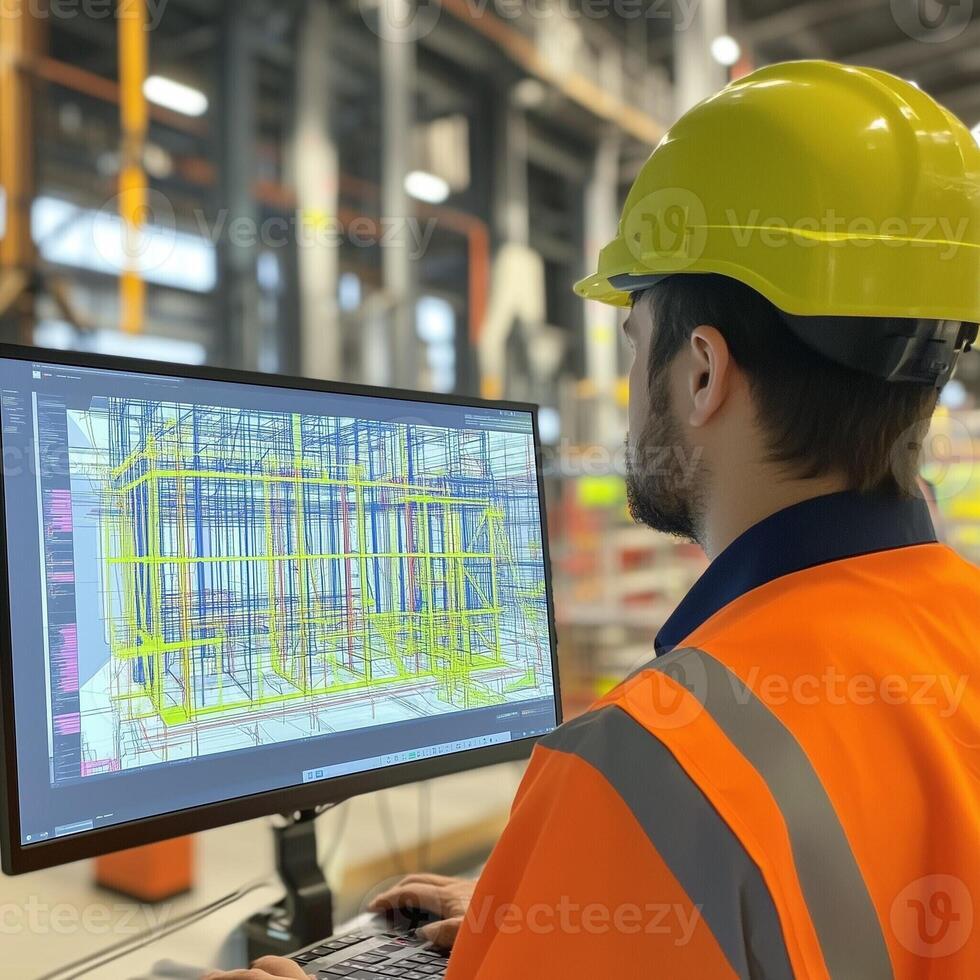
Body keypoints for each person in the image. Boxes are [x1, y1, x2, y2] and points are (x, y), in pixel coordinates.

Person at [205, 60, 980, 980]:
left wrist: (598, 872)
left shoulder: (650, 761)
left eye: (633, 344)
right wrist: (553, 910)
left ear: (701, 372)